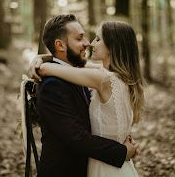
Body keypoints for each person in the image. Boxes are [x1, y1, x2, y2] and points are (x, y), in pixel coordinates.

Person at [32, 14, 140, 177]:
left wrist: (42, 63)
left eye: (97, 39)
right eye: (80, 38)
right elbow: (76, 137)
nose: (88, 43)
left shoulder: (98, 77)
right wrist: (121, 152)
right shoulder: (53, 85)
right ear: (60, 45)